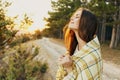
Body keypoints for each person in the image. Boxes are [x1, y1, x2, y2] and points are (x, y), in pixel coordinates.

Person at [56, 8, 103, 80]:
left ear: (86, 22)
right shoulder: (73, 48)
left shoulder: (92, 55)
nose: (71, 18)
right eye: (73, 16)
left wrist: (68, 68)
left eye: (77, 17)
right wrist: (63, 65)